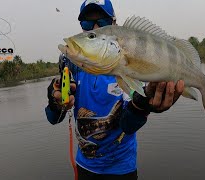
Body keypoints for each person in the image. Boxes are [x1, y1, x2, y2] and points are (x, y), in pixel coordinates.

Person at [45, 0, 185, 179]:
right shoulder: (73, 65)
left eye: (102, 23)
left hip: (121, 168)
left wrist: (140, 106)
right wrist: (55, 102)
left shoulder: (128, 70)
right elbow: (53, 118)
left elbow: (128, 125)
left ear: (113, 24)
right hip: (85, 165)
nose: (94, 28)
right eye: (87, 24)